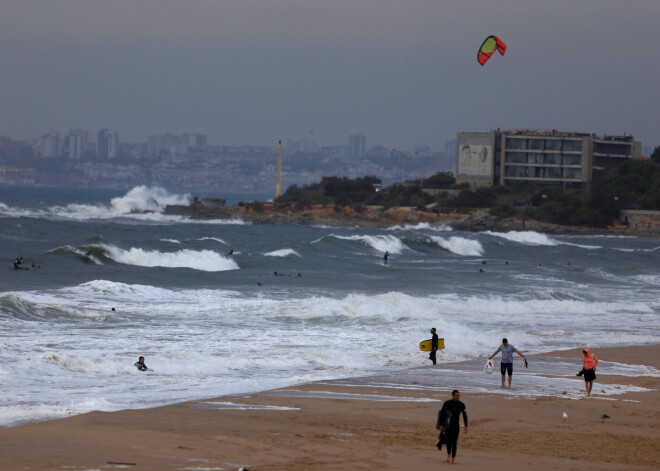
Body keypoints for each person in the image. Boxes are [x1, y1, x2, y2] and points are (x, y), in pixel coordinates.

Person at [436, 390, 468, 464]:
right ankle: (448, 456)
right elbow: (442, 414)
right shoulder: (447, 403)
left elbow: (465, 415)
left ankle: (453, 459)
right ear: (453, 395)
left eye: (459, 395)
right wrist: (441, 425)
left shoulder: (461, 404)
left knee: (454, 442)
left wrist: (466, 426)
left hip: (456, 426)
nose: (458, 397)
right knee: (448, 442)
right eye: (456, 395)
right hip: (448, 426)